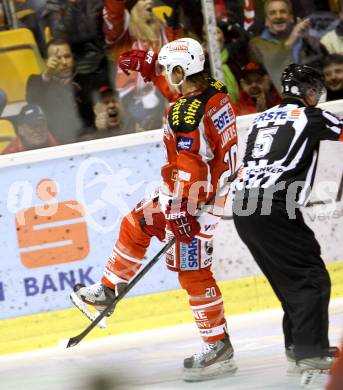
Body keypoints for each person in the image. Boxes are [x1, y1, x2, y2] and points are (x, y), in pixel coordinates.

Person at [71, 37, 239, 382]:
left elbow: (191, 165)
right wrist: (151, 67)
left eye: (167, 69)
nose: (165, 74)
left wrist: (180, 210)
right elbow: (187, 98)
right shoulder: (217, 91)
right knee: (138, 222)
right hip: (213, 193)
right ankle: (108, 289)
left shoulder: (183, 114)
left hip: (197, 201)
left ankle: (218, 345)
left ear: (181, 70)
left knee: (192, 270)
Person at [232, 64, 342, 375]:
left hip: (243, 206)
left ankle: (298, 344)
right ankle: (309, 350)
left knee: (290, 281)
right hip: (273, 206)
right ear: (308, 91)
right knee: (310, 276)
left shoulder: (261, 119)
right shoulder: (311, 116)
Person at [103, 0, 183, 130]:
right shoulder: (123, 35)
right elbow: (114, 13)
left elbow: (177, 58)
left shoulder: (163, 30)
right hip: (133, 103)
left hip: (167, 98)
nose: (150, 1)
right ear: (133, 6)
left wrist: (174, 28)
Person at [26, 38, 94, 144]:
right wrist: (47, 73)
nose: (64, 62)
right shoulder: (37, 81)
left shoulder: (86, 80)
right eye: (57, 58)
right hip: (56, 145)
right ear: (46, 61)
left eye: (67, 56)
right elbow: (32, 101)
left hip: (88, 142)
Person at [249, 0, 325, 93]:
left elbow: (324, 61)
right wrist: (292, 38)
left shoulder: (302, 37)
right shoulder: (257, 43)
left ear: (291, 17)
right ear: (266, 20)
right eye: (272, 13)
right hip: (280, 99)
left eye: (283, 12)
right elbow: (273, 63)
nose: (278, 16)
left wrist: (308, 39)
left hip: (311, 93)